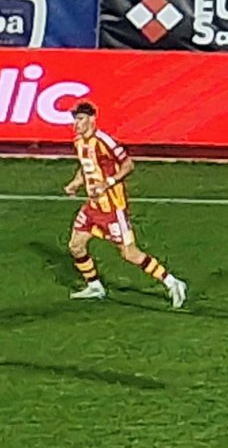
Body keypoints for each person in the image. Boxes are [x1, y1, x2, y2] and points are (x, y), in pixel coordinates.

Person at [64, 102, 188, 309]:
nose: (76, 124)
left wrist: (108, 183)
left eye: (80, 119)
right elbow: (86, 165)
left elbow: (128, 165)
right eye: (75, 120)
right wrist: (76, 182)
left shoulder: (104, 141)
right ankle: (95, 286)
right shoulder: (79, 142)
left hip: (113, 208)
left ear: (92, 119)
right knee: (76, 245)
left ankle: (172, 282)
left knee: (129, 253)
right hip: (93, 207)